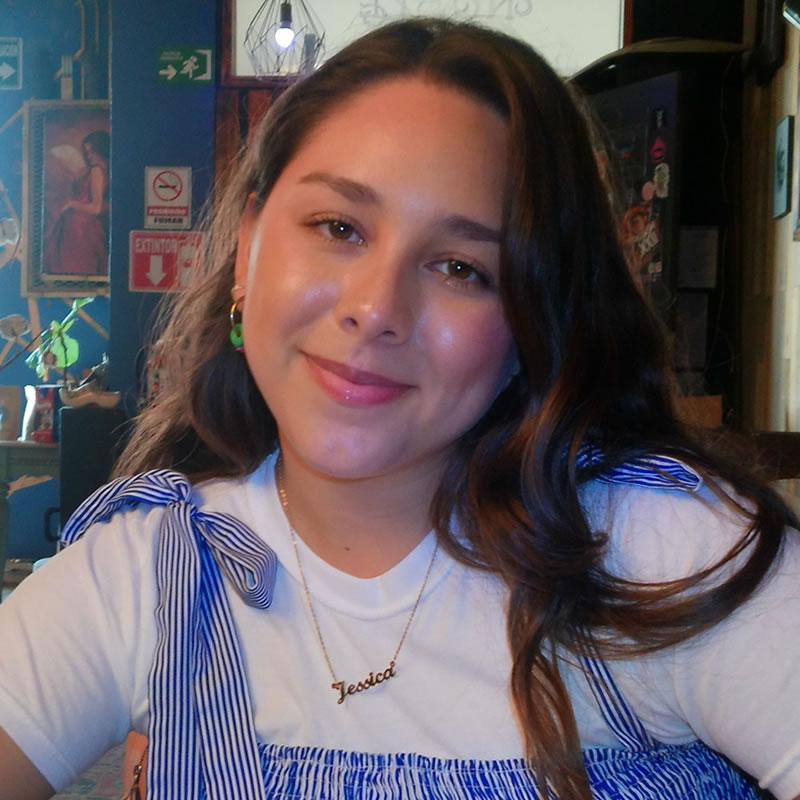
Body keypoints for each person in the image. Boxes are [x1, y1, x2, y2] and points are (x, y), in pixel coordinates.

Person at [1, 17, 798, 800]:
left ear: (530, 321)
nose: (376, 308)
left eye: (460, 267)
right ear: (247, 250)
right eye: (338, 227)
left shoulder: (654, 553)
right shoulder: (154, 572)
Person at [43, 129, 110, 276]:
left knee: (75, 265)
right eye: (87, 152)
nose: (89, 155)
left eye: (92, 151)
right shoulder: (96, 170)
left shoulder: (96, 171)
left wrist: (71, 204)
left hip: (82, 229)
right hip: (77, 227)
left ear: (101, 150)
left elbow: (96, 208)